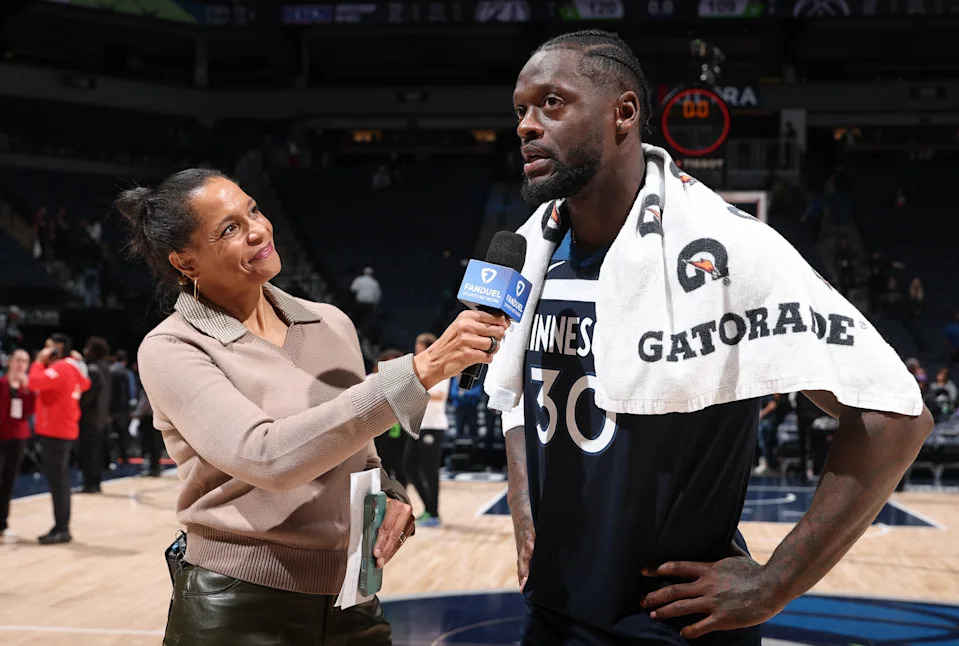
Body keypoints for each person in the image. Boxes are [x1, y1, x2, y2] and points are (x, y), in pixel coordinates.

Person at [492, 30, 932, 644]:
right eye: (521, 109)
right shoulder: (530, 250)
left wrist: (774, 583)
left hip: (678, 625)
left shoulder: (730, 251)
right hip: (552, 616)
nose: (526, 125)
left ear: (624, 113)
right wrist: (522, 502)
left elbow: (895, 419)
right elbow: (511, 385)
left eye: (552, 103)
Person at [118, 168, 507, 646]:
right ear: (186, 261)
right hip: (239, 606)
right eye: (229, 229)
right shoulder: (172, 348)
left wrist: (393, 496)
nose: (258, 230)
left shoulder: (332, 322)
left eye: (253, 211)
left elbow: (360, 455)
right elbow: (268, 457)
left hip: (353, 596)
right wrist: (420, 371)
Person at [28, 333, 92, 545]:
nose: (45, 351)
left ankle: (62, 528)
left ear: (57, 349)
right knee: (60, 482)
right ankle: (61, 526)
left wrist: (38, 362)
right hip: (63, 431)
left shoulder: (62, 368)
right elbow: (85, 383)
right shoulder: (71, 367)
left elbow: (35, 382)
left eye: (49, 347)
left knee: (58, 483)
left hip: (55, 432)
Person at [405, 333, 449, 528]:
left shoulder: (441, 368)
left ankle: (434, 513)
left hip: (433, 425)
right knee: (408, 466)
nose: (417, 351)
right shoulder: (416, 367)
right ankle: (428, 508)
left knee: (430, 471)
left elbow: (440, 396)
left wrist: (417, 391)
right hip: (417, 425)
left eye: (419, 347)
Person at [0, 349, 36, 537]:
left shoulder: (26, 387)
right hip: (1, 435)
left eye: (25, 361)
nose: (21, 364)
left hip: (18, 437)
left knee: (9, 480)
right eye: (18, 360)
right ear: (10, 362)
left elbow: (29, 411)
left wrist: (28, 390)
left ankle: (3, 521)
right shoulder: (2, 383)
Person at [78, 336, 111, 493]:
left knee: (88, 451)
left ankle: (89, 484)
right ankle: (96, 483)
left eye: (88, 347)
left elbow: (88, 396)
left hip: (90, 416)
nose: (85, 350)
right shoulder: (106, 367)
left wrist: (77, 405)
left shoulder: (93, 369)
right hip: (101, 416)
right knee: (96, 451)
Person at [371, 348, 409, 487]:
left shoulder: (406, 380)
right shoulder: (371, 379)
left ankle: (402, 501)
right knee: (381, 465)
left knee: (400, 467)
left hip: (400, 429)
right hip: (379, 429)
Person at [109, 349, 136, 463]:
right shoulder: (127, 373)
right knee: (124, 433)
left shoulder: (110, 371)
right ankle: (124, 457)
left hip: (111, 408)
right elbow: (131, 391)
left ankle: (112, 458)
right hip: (124, 408)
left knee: (111, 433)